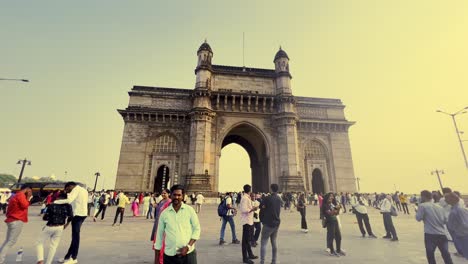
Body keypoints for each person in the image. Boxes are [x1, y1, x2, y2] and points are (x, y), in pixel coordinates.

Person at [154, 184, 200, 264]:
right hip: (169, 256)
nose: (176, 197)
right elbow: (159, 236)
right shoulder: (164, 213)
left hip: (188, 255)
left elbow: (197, 229)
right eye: (174, 195)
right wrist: (156, 260)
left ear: (183, 196)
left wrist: (188, 246)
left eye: (179, 195)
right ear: (171, 195)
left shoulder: (190, 211)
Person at [415, 190, 453, 264]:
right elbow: (445, 220)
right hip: (442, 234)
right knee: (446, 254)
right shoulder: (440, 206)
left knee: (430, 255)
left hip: (430, 235)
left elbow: (418, 218)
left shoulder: (422, 206)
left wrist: (417, 211)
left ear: (423, 197)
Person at [55, 182, 88, 264]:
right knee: (74, 237)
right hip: (81, 214)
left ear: (70, 186)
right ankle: (67, 257)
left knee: (76, 237)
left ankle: (74, 258)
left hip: (78, 215)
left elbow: (69, 201)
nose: (67, 191)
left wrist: (56, 202)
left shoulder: (75, 189)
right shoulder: (84, 190)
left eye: (67, 189)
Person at [36, 192, 74, 264]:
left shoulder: (52, 205)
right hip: (60, 227)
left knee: (39, 242)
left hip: (50, 226)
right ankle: (48, 262)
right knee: (53, 246)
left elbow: (45, 218)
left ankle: (40, 260)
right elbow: (71, 217)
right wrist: (66, 225)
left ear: (58, 198)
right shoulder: (68, 206)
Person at [0, 185, 32, 264]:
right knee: (11, 241)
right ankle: (1, 260)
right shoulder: (21, 195)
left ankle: (0, 256)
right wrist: (28, 197)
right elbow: (25, 205)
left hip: (11, 220)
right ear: (27, 189)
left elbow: (9, 210)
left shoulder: (15, 195)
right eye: (30, 191)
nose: (31, 193)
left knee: (8, 241)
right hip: (16, 220)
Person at [259, 184, 282, 264]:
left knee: (264, 243)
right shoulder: (279, 199)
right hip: (276, 223)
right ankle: (274, 261)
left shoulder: (267, 198)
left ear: (271, 189)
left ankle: (262, 262)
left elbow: (261, 206)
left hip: (268, 223)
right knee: (274, 242)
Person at [445, 192, 468, 260]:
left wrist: (457, 230)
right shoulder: (454, 209)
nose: (445, 200)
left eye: (447, 198)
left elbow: (465, 224)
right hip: (460, 235)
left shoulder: (459, 209)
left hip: (464, 236)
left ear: (452, 199)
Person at [239, 184, 258, 264]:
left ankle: (250, 254)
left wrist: (252, 209)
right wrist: (252, 209)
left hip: (250, 221)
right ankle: (245, 258)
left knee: (248, 240)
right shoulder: (245, 198)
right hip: (246, 221)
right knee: (245, 241)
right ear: (249, 190)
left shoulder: (247, 198)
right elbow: (243, 210)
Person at [322, 193, 345, 257]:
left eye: (332, 197)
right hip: (330, 222)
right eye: (330, 197)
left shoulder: (332, 204)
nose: (331, 198)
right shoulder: (325, 205)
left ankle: (338, 249)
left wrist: (339, 208)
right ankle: (332, 251)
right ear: (327, 198)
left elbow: (336, 214)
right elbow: (330, 214)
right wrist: (335, 208)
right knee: (331, 237)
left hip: (335, 221)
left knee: (338, 237)